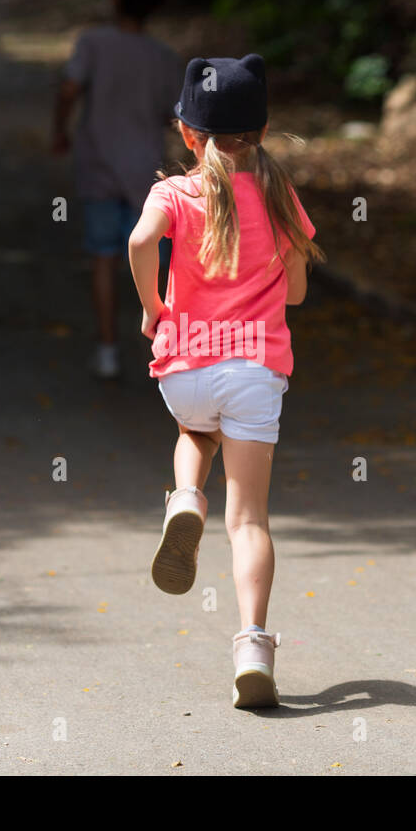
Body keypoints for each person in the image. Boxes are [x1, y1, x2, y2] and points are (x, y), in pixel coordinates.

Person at [128, 54, 324, 708]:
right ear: (261, 131)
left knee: (193, 429)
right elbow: (294, 294)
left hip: (186, 368)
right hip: (254, 374)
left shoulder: (174, 194)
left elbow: (136, 242)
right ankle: (252, 645)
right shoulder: (279, 198)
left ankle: (185, 496)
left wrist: (154, 306)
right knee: (251, 522)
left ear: (188, 134)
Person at [52, 0, 180, 379]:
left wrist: (60, 129)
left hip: (99, 167)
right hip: (149, 176)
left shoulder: (92, 43)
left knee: (104, 257)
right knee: (159, 266)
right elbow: (173, 114)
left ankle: (107, 349)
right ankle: (170, 347)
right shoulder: (163, 58)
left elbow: (70, 89)